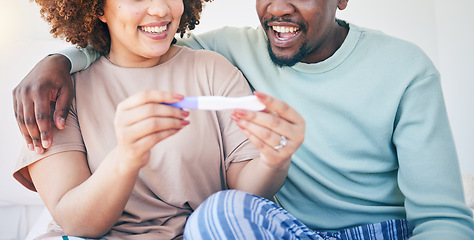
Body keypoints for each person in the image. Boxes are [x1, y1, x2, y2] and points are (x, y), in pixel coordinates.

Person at [12, 0, 474, 239]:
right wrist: (58, 61)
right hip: (267, 227)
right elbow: (128, 49)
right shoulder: (56, 94)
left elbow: (442, 217)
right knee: (218, 218)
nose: (279, 7)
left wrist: (276, 157)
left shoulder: (406, 69)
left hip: (378, 230)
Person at [11, 0, 305, 239]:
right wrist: (126, 157)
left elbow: (243, 194)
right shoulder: (58, 92)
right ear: (97, 7)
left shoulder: (212, 69)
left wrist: (274, 159)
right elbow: (77, 224)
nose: (161, 9)